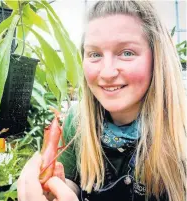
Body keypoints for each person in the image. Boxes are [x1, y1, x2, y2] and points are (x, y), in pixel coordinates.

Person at [17, 1, 187, 201]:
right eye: (95, 54)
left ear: (156, 59)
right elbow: (72, 181)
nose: (106, 73)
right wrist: (53, 189)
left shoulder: (181, 130)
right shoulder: (77, 121)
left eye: (126, 53)